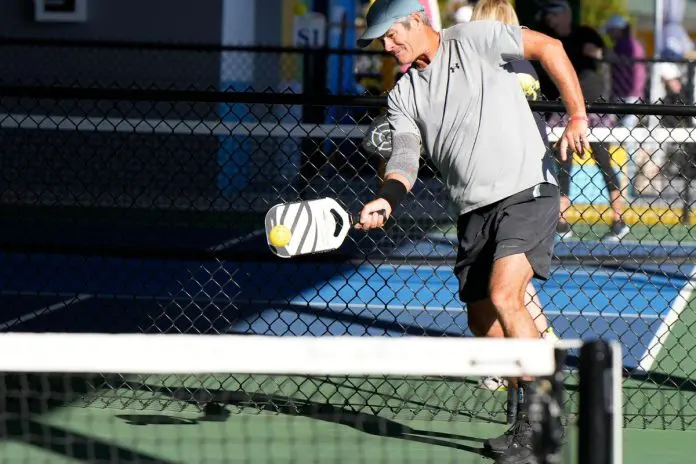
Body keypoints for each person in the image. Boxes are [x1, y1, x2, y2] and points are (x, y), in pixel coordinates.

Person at [355, 0, 589, 461]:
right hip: (473, 210)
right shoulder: (403, 95)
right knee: (484, 323)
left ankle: (542, 421)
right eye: (382, 40)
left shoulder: (474, 38)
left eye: (392, 34)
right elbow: (404, 159)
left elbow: (550, 47)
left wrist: (577, 115)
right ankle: (533, 392)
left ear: (416, 21)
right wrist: (387, 197)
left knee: (507, 296)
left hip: (527, 189)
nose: (388, 45)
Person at [468, 0, 559, 395]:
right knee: (505, 284)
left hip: (517, 185)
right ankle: (538, 345)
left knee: (505, 288)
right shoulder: (508, 64)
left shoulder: (504, 67)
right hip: (497, 183)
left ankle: (523, 368)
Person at [537, 0, 629, 241]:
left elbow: (609, 56)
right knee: (563, 161)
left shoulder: (586, 33)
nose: (550, 20)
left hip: (592, 108)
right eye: (547, 16)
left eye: (553, 15)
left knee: (603, 161)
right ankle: (562, 221)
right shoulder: (549, 40)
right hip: (562, 107)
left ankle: (619, 219)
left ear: (565, 15)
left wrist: (596, 53)